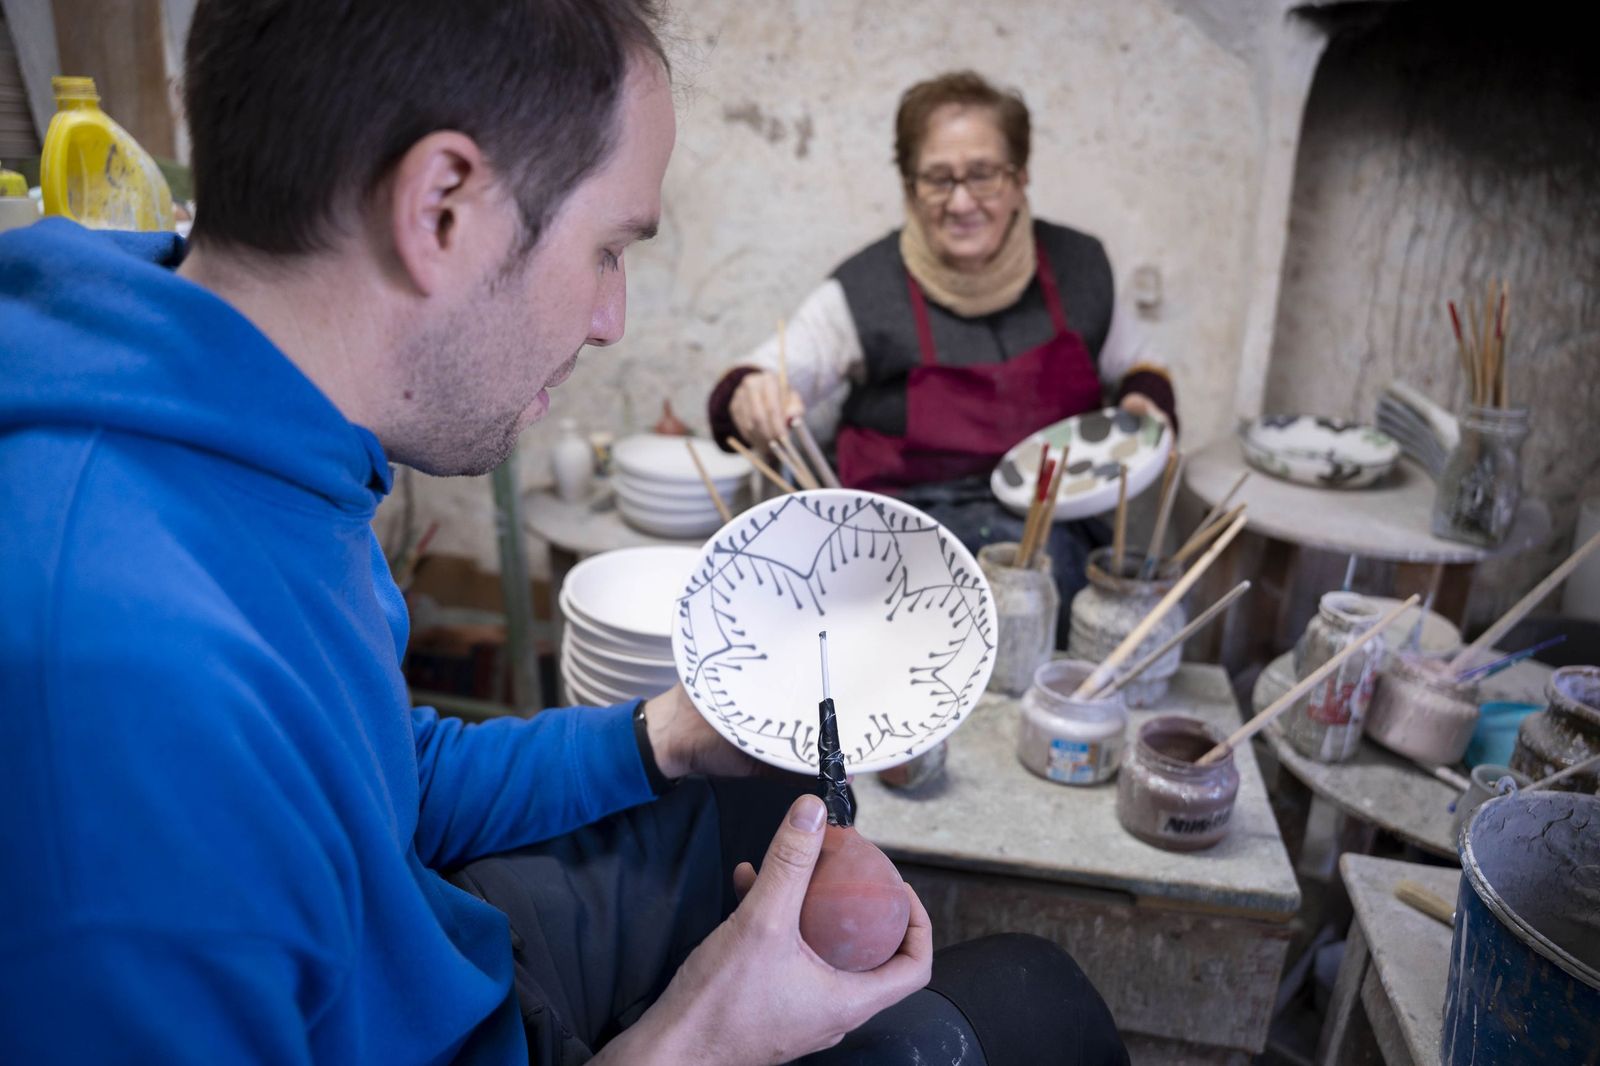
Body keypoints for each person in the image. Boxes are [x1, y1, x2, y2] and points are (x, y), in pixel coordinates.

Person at [0, 5, 1128, 1064]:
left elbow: (382, 778)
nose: (611, 317)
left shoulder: (254, 424)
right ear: (441, 205)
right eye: (606, 247)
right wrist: (692, 1037)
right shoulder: (114, 700)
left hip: (426, 953)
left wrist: (662, 735)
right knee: (1038, 1000)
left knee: (746, 787)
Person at [709, 71, 1179, 630]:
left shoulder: (1080, 266)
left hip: (1048, 539)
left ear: (1021, 177)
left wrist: (1145, 411)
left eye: (983, 175)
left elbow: (1139, 367)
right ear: (910, 188)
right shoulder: (866, 287)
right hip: (900, 541)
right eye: (937, 179)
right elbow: (758, 377)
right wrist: (751, 394)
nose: (961, 203)